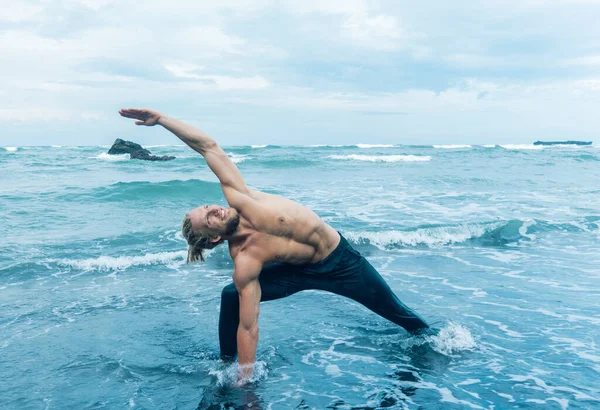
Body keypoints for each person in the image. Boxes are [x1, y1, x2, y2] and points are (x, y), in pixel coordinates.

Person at [119, 108, 430, 379]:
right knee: (234, 295)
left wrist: (161, 120)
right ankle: (228, 365)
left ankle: (434, 344)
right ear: (214, 237)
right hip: (295, 270)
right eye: (209, 219)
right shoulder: (245, 261)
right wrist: (245, 378)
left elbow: (207, 147)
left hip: (339, 260)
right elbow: (249, 328)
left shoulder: (240, 196)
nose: (213, 209)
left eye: (207, 207)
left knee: (397, 312)